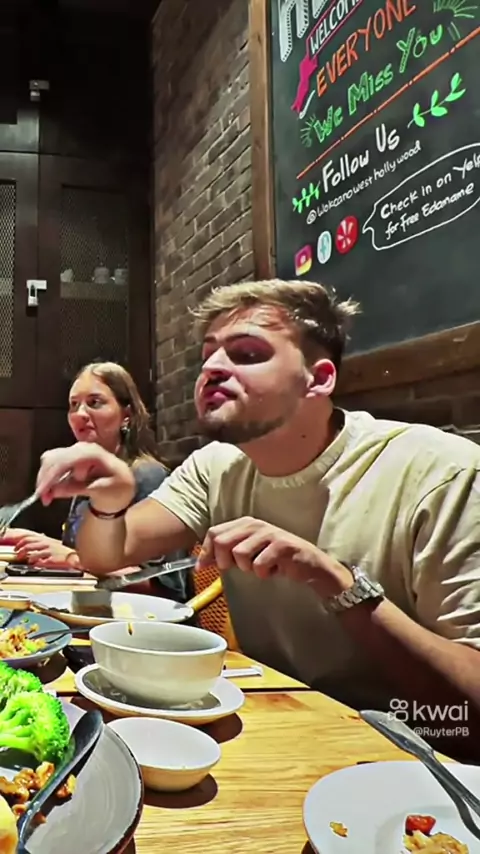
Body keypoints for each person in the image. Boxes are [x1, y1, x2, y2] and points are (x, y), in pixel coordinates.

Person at [33, 280, 480, 759]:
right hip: (280, 721)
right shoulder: (217, 466)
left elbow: (470, 714)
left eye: (246, 354)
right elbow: (106, 556)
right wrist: (111, 499)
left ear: (318, 378)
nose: (212, 368)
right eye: (208, 355)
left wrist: (335, 581)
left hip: (414, 756)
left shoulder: (442, 472)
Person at [4, 360, 187, 601]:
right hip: (90, 606)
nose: (79, 414)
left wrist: (72, 559)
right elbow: (82, 555)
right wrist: (39, 542)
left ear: (126, 415)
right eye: (73, 405)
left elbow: (167, 589)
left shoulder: (148, 476)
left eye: (94, 402)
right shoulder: (89, 478)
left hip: (136, 618)